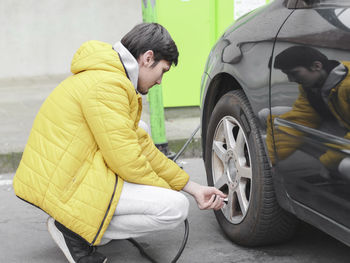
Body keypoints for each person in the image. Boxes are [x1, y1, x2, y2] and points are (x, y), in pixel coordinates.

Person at [13, 22, 226, 263]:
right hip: (66, 184)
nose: (159, 82)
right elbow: (128, 162)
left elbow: (142, 149)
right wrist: (164, 190)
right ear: (147, 58)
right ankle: (72, 230)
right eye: (163, 71)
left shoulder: (110, 76)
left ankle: (85, 225)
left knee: (140, 131)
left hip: (70, 172)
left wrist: (193, 188)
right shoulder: (109, 86)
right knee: (174, 207)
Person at [266, 45, 350, 178]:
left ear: (316, 66)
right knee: (273, 117)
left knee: (346, 166)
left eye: (293, 73)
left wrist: (327, 160)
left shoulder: (347, 85)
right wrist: (269, 160)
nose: (291, 80)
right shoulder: (312, 85)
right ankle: (333, 168)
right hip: (343, 129)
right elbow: (302, 117)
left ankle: (335, 170)